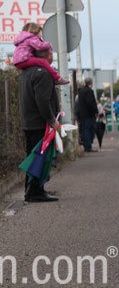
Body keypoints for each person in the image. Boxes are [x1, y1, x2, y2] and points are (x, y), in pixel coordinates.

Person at [18, 46, 61, 202]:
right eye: (51, 53)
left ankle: (30, 190)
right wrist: (52, 120)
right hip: (40, 123)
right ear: (48, 56)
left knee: (32, 156)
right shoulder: (43, 74)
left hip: (28, 121)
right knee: (39, 157)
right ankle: (35, 191)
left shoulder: (25, 72)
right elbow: (42, 101)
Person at [77, 77, 99, 153]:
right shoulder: (89, 91)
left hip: (82, 114)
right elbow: (90, 103)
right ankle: (88, 146)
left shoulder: (81, 91)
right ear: (91, 83)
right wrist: (95, 111)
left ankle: (86, 145)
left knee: (84, 129)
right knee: (89, 130)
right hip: (89, 114)